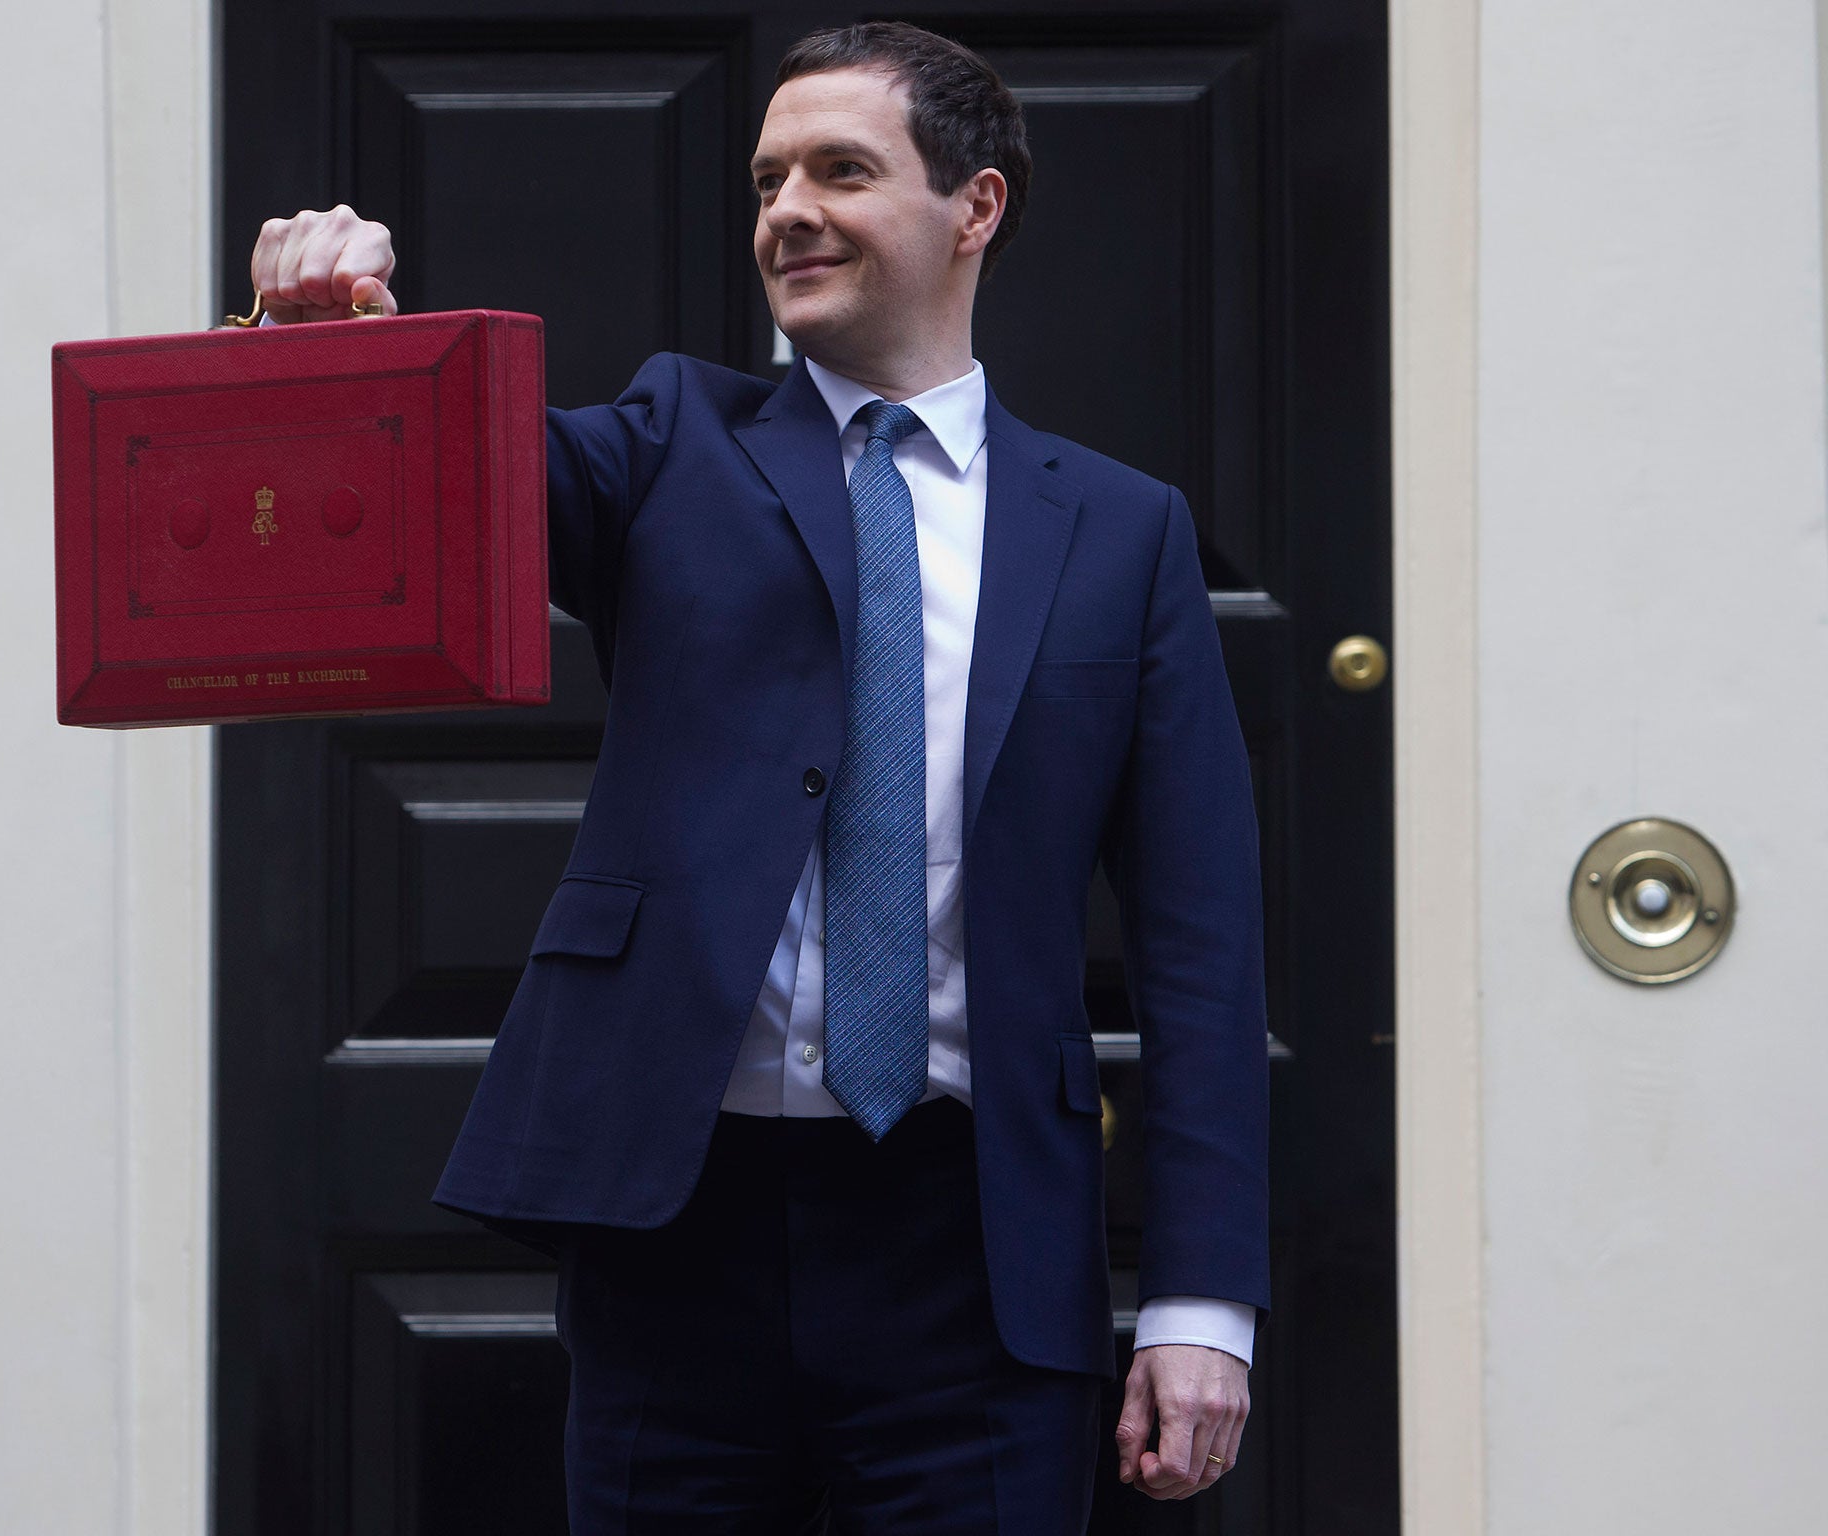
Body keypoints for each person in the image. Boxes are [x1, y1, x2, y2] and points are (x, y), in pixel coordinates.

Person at [252, 20, 1269, 1532]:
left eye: (841, 170)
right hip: (678, 1228)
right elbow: (421, 498)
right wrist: (327, 341)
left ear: (974, 207)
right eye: (766, 175)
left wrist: (1201, 1303)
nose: (786, 206)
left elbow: (1198, 947)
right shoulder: (670, 442)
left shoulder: (1121, 534)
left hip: (975, 1252)